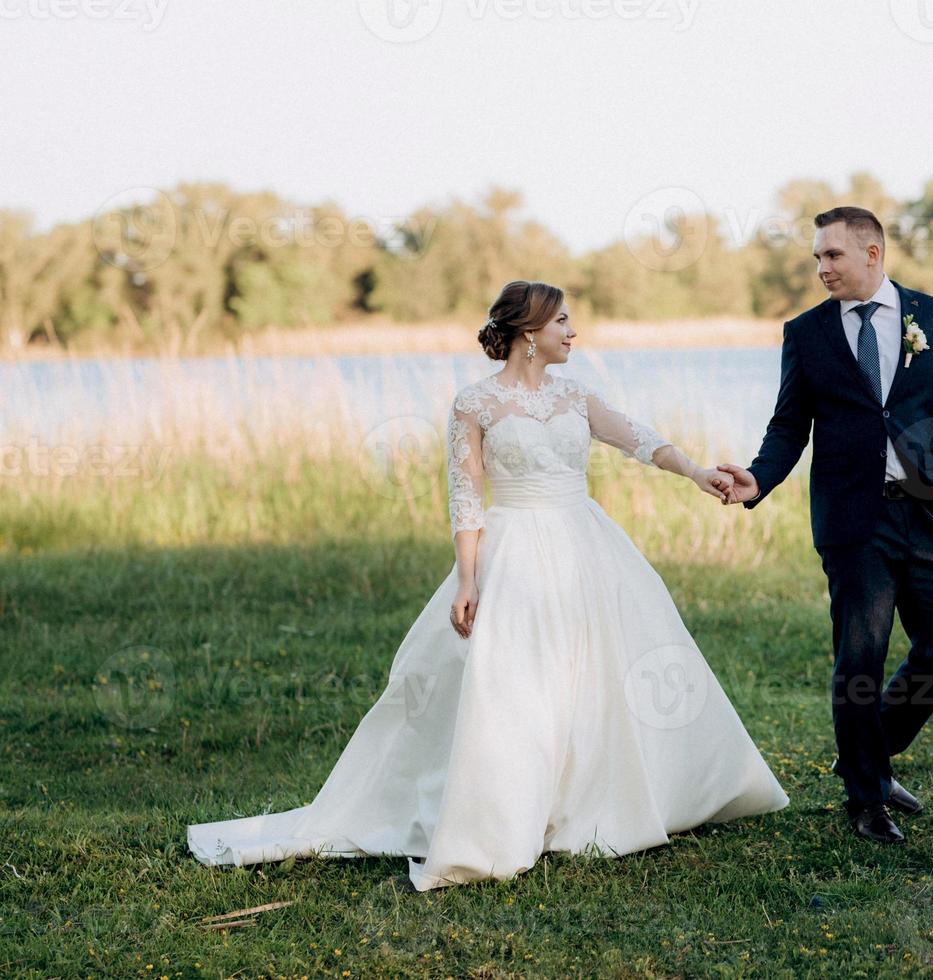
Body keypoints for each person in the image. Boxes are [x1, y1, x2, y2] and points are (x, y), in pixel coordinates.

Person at [187, 280, 789, 891]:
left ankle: (604, 798)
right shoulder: (475, 405)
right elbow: (467, 496)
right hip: (516, 549)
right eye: (562, 321)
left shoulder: (576, 396)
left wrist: (695, 472)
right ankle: (509, 808)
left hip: (586, 543)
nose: (572, 332)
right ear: (529, 332)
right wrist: (468, 579)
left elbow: (639, 439)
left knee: (603, 668)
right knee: (514, 681)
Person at [717, 206, 933, 845]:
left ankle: (865, 753)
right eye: (817, 257)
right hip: (852, 521)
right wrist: (758, 478)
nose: (821, 268)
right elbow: (790, 423)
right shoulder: (807, 333)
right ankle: (866, 797)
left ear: (872, 254)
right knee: (860, 658)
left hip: (924, 511)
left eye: (832, 256)